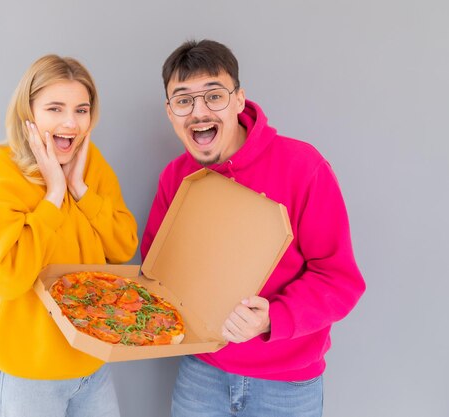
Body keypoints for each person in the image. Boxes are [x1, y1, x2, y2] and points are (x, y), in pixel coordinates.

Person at [141, 39, 366, 417]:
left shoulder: (302, 167)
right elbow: (157, 265)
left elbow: (339, 280)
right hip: (202, 374)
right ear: (170, 111)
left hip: (287, 385)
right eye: (183, 100)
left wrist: (272, 318)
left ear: (240, 99)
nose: (198, 111)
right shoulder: (176, 177)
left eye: (214, 96)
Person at [0, 54, 138, 417]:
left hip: (93, 368)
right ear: (28, 112)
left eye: (82, 109)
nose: (71, 123)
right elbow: (7, 277)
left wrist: (80, 189)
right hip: (28, 379)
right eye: (55, 109)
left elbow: (124, 247)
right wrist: (54, 196)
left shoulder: (90, 163)